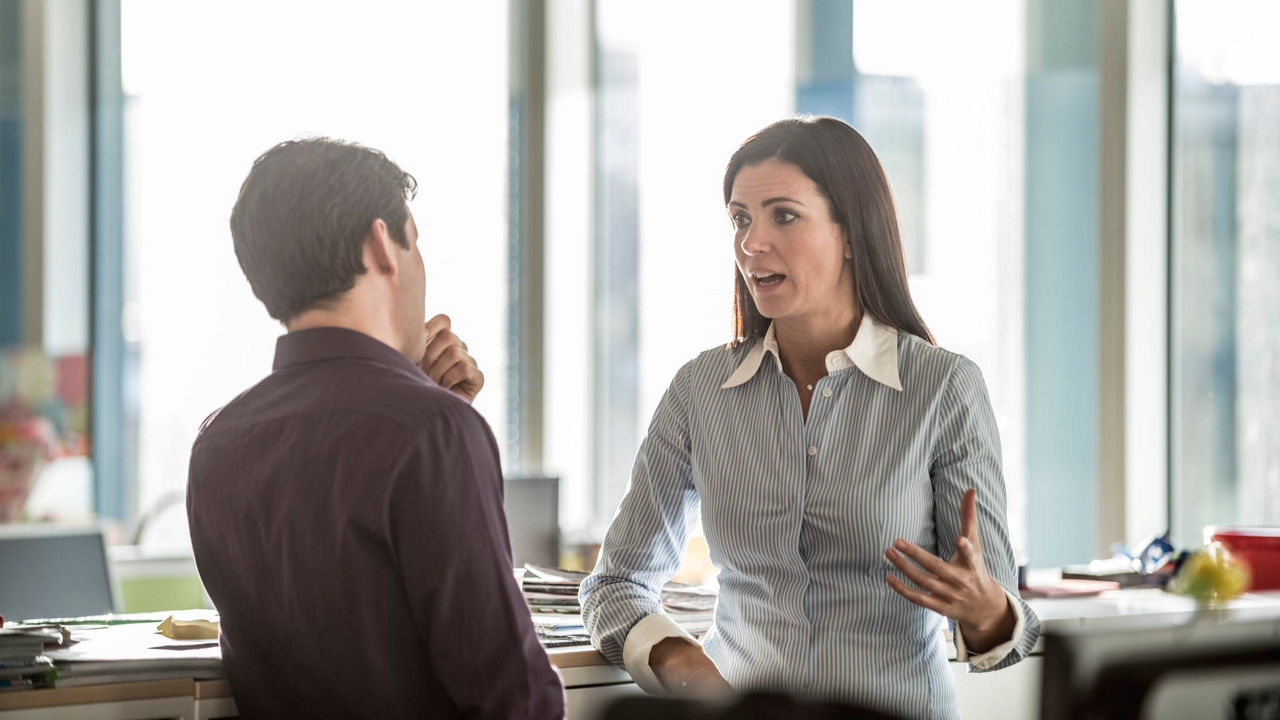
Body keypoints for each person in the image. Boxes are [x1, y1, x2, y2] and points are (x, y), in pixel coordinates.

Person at [579, 116, 1039, 720]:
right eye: (740, 219)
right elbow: (615, 585)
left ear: (850, 231)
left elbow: (1007, 633)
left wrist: (987, 612)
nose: (751, 243)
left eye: (783, 216)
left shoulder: (943, 389)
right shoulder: (700, 392)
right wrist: (682, 663)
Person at [187, 138, 564, 719]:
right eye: (417, 243)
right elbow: (512, 698)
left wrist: (433, 414)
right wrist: (445, 426)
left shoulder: (217, 441)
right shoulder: (432, 431)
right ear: (382, 243)